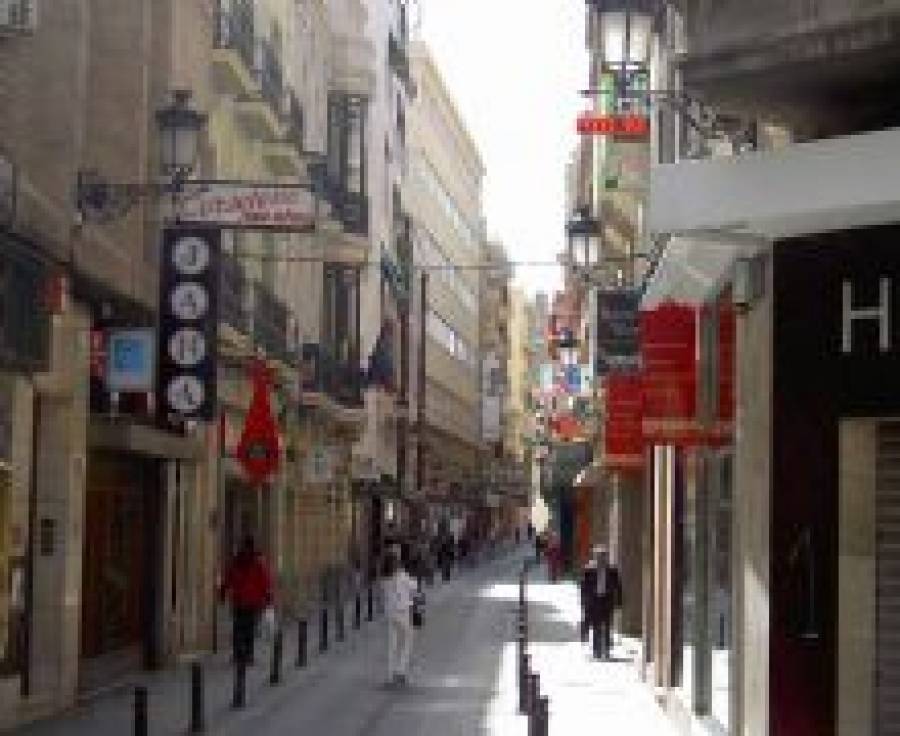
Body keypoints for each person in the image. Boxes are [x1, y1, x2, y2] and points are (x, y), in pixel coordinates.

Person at [220, 535, 273, 665]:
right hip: (248, 601)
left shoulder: (241, 561)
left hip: (244, 601)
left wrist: (223, 590)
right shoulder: (255, 562)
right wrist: (268, 596)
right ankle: (246, 654)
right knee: (246, 628)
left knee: (241, 627)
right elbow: (265, 580)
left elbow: (229, 577)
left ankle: (241, 654)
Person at [383, 549, 418, 685]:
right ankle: (401, 670)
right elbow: (414, 587)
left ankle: (390, 674)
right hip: (402, 612)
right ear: (396, 562)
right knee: (408, 639)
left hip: (390, 613)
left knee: (392, 643)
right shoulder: (402, 576)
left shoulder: (385, 577)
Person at [581, 545, 622, 660]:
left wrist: (619, 602)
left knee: (607, 626)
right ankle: (597, 651)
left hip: (607, 601)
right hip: (594, 601)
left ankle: (607, 650)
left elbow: (618, 587)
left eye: (603, 556)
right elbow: (584, 588)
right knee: (596, 626)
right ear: (595, 557)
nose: (601, 559)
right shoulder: (589, 570)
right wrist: (584, 602)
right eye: (599, 556)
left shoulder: (612, 571)